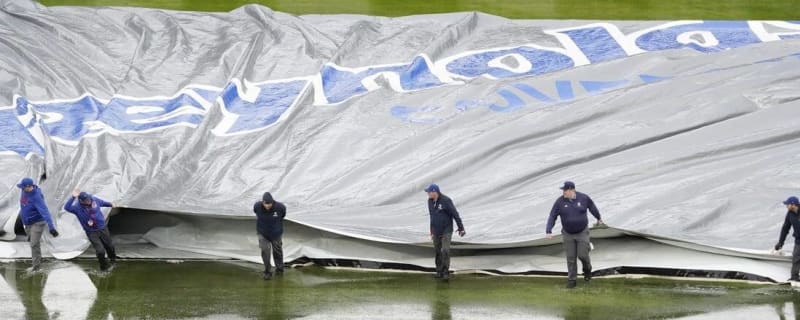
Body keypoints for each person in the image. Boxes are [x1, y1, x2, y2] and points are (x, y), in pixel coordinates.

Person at [546, 181, 603, 288]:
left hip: (582, 232)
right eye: (563, 190)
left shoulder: (584, 198)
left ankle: (587, 270)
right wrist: (549, 230)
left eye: (565, 190)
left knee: (582, 255)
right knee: (571, 258)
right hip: (568, 233)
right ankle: (572, 280)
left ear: (572, 190)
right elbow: (552, 216)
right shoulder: (560, 202)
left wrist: (598, 218)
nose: (564, 192)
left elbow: (592, 208)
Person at [63, 188, 117, 271]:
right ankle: (103, 267)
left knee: (109, 246)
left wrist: (111, 204)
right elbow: (67, 207)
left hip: (102, 228)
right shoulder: (77, 208)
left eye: (89, 199)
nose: (89, 201)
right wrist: (73, 197)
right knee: (100, 251)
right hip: (91, 232)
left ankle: (113, 260)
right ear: (81, 201)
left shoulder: (93, 199)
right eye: (86, 200)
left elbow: (102, 202)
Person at [17, 177, 59, 271]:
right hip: (27, 223)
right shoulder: (24, 191)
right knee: (33, 242)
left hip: (37, 222)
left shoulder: (36, 197)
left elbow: (45, 212)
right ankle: (38, 259)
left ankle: (36, 267)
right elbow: (24, 204)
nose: (22, 189)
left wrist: (51, 227)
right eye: (22, 187)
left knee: (34, 244)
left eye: (24, 187)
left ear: (29, 187)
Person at [425, 184, 465, 281]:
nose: (427, 194)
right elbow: (432, 216)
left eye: (429, 192)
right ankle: (439, 271)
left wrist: (461, 228)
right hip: (436, 230)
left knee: (445, 250)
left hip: (446, 229)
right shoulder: (430, 201)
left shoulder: (446, 200)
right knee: (438, 251)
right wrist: (431, 230)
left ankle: (445, 272)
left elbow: (455, 214)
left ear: (435, 192)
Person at [253, 192, 286, 280]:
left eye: (270, 204)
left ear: (273, 202)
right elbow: (256, 212)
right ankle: (267, 271)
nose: (268, 206)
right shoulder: (257, 206)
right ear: (262, 202)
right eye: (266, 204)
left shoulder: (280, 207)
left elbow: (283, 215)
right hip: (263, 233)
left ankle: (279, 268)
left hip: (276, 233)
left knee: (277, 251)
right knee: (265, 250)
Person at [774, 196, 800, 281]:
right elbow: (785, 229)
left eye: (787, 204)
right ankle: (794, 278)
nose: (786, 206)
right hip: (798, 241)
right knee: (796, 257)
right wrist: (780, 243)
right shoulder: (789, 214)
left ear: (793, 204)